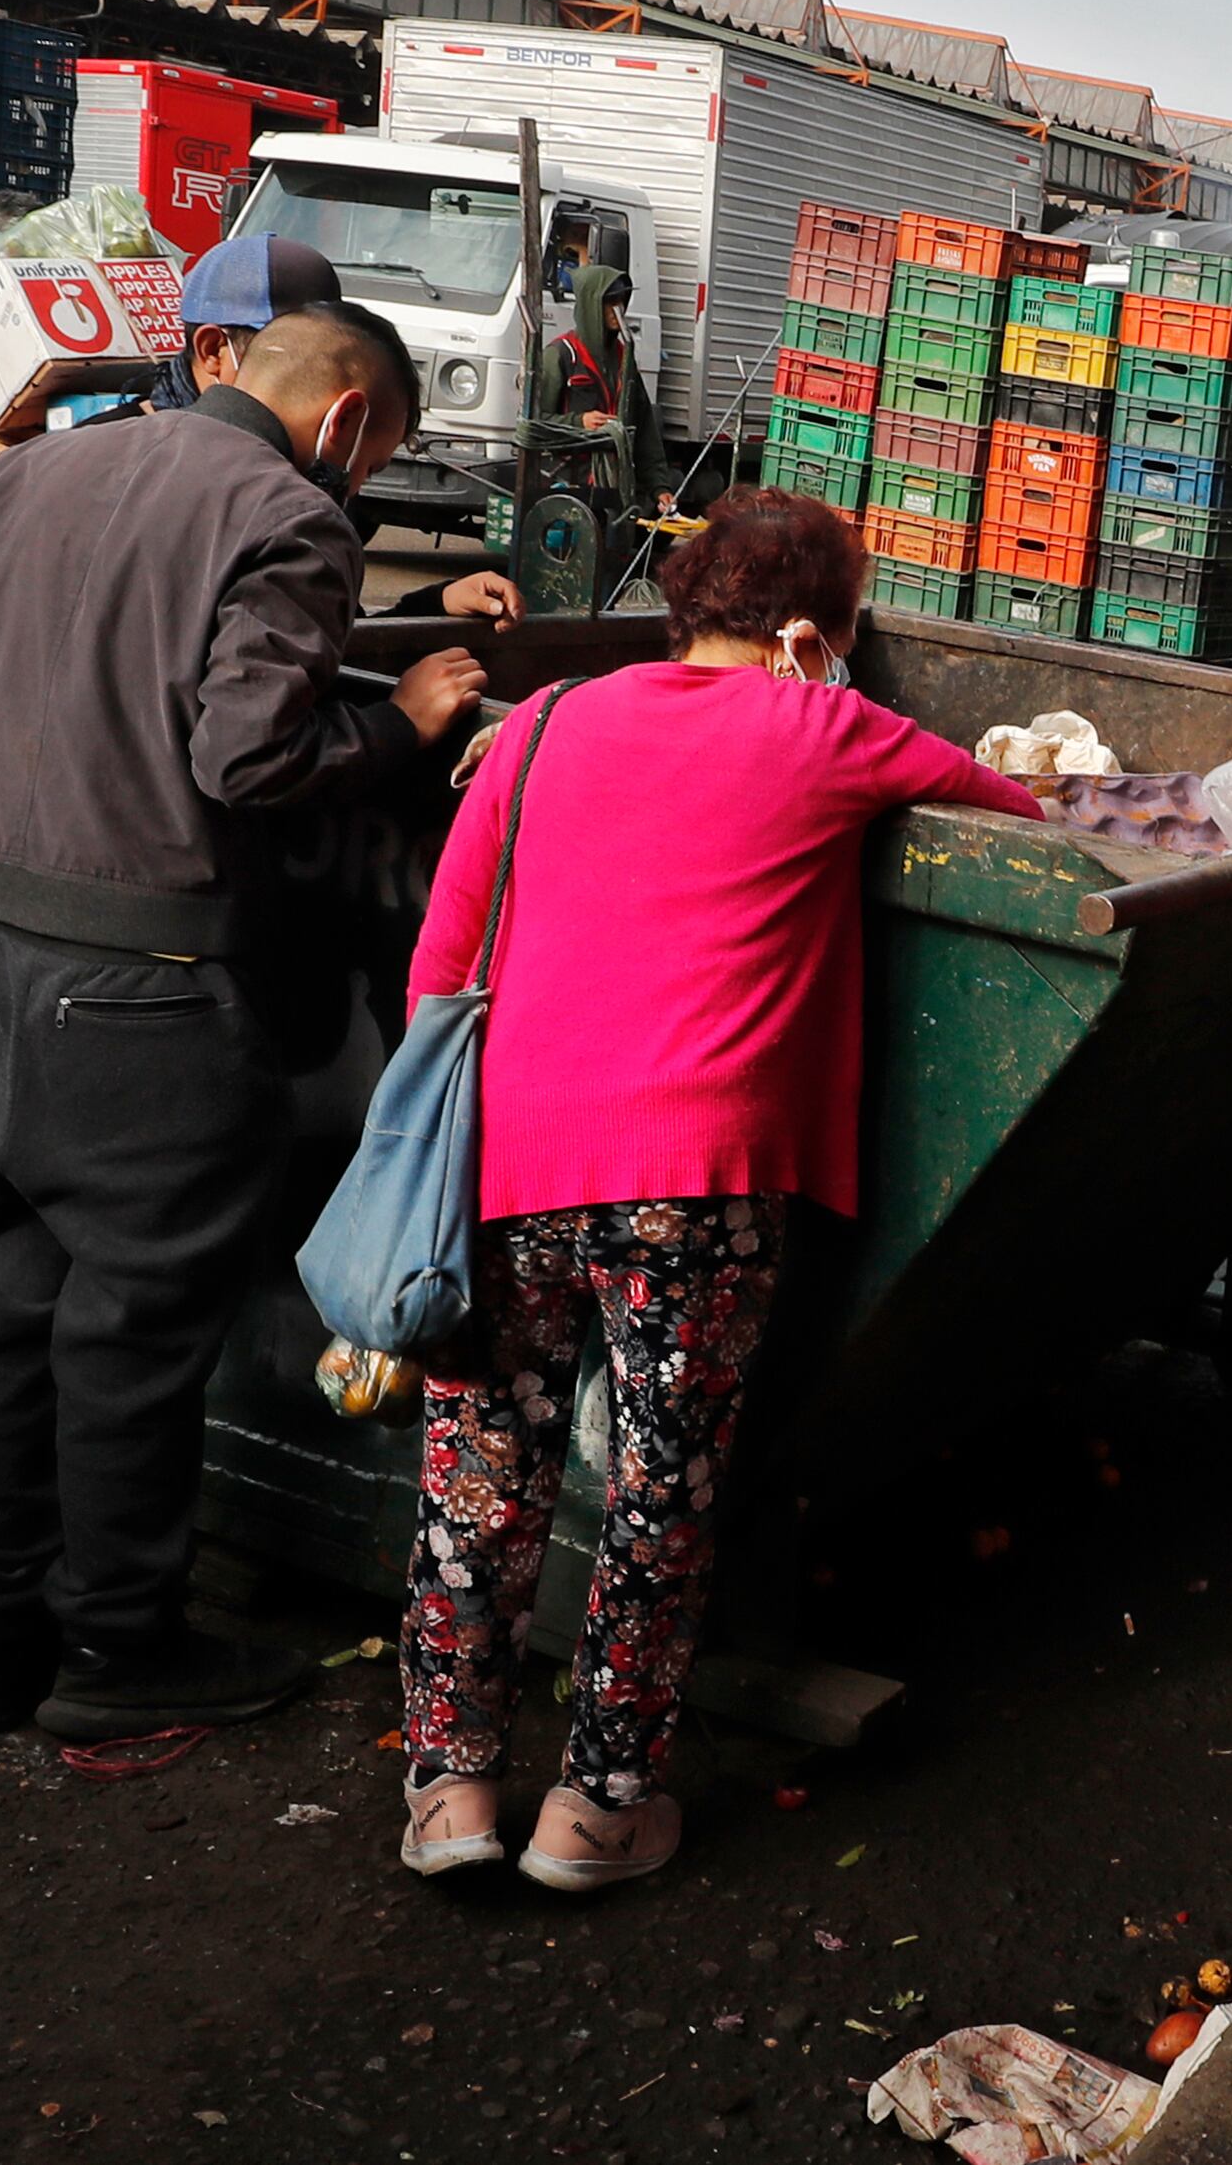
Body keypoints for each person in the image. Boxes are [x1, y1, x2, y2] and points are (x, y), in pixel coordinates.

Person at [391, 491, 1043, 1890]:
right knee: (655, 1497)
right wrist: (832, 698)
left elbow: (443, 952)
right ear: (816, 629)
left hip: (514, 1152)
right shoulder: (829, 726)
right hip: (698, 1181)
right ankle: (599, 1808)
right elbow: (1021, 804)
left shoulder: (551, 720)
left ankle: (451, 1793)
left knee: (480, 1481)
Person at [0, 303, 494, 1742]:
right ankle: (118, 1647)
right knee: (131, 1331)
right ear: (347, 419)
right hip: (149, 995)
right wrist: (403, 722)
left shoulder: (33, 471)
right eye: (376, 449)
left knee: (5, 1316)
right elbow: (247, 756)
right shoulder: (290, 514)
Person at [134, 236, 520, 625]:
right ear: (213, 349)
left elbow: (322, 640)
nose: (313, 381)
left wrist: (431, 606)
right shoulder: (138, 469)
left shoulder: (314, 484)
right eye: (286, 349)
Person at [536, 264, 664, 517]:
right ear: (590, 305)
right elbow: (535, 423)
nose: (619, 309)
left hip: (616, 489)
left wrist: (659, 488)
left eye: (622, 300)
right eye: (610, 302)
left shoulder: (624, 359)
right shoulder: (561, 355)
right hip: (567, 485)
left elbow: (645, 429)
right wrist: (579, 422)